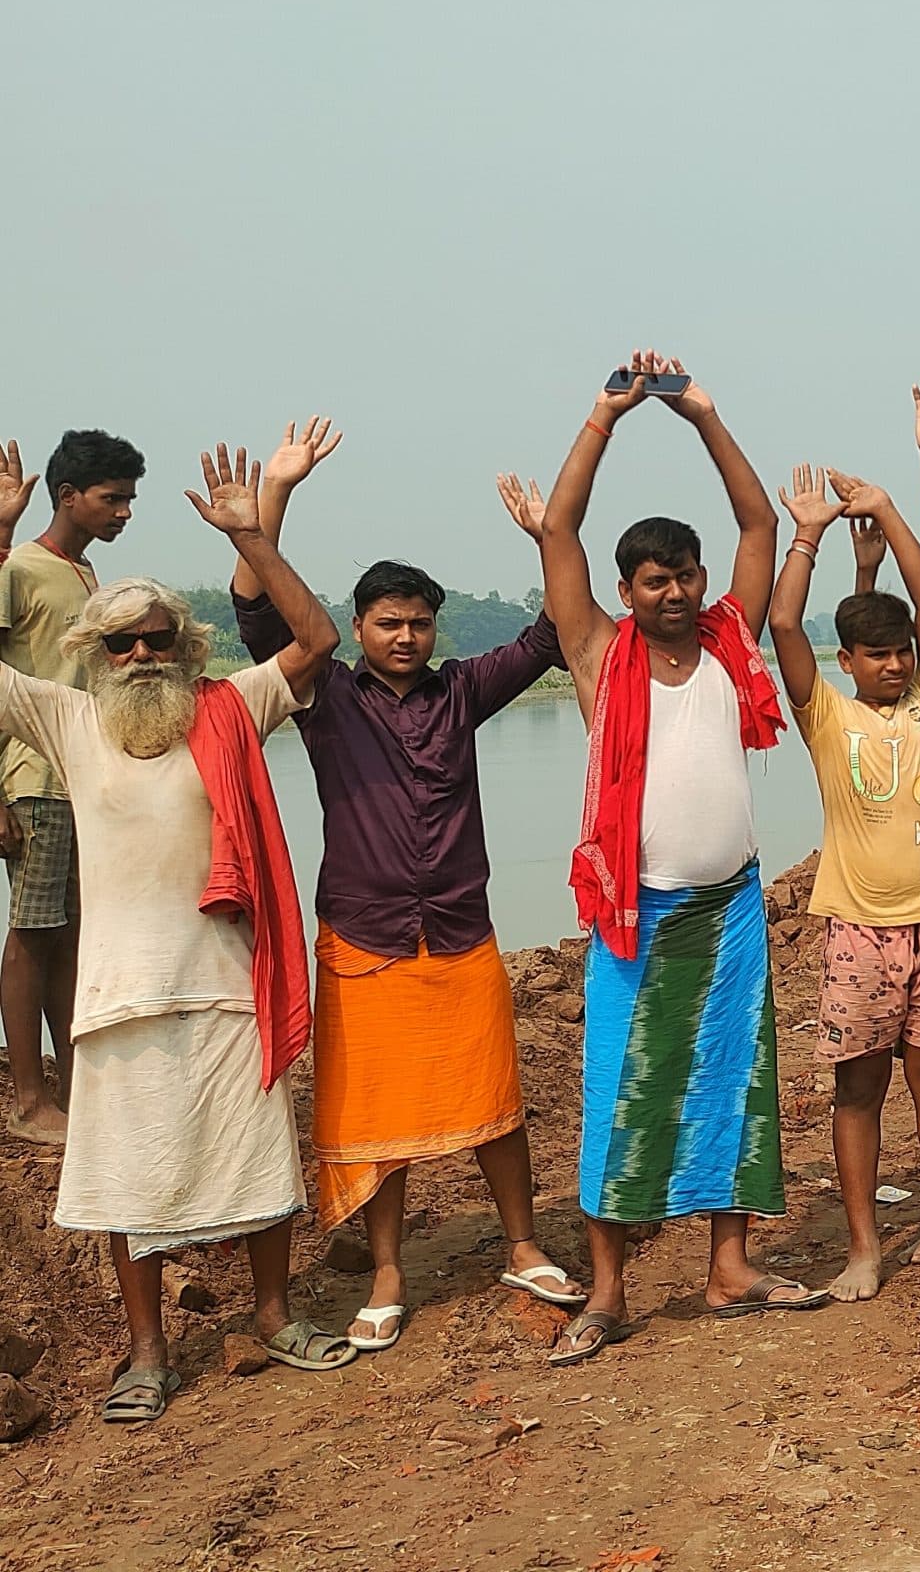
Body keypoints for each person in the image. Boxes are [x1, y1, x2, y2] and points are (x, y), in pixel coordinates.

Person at [0, 444, 355, 1425]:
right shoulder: (69, 724)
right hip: (119, 995)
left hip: (225, 981)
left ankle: (275, 1314)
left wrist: (250, 531)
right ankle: (147, 1353)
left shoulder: (228, 708)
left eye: (158, 639)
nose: (142, 656)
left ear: (186, 646)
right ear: (94, 657)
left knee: (254, 1163)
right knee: (130, 1181)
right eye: (122, 645)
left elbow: (319, 639)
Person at [221, 417, 587, 1355]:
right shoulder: (327, 698)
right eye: (389, 622)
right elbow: (261, 619)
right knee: (375, 1114)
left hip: (460, 927)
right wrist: (271, 508)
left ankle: (522, 1243)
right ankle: (388, 1275)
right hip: (366, 933)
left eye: (420, 622)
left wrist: (550, 535)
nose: (406, 637)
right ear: (362, 627)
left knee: (496, 1097)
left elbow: (553, 633)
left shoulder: (463, 691)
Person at [530, 352, 824, 1364]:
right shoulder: (597, 654)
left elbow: (759, 526)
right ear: (626, 589)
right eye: (654, 580)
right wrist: (604, 415)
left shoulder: (729, 639)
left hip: (732, 908)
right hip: (634, 917)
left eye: (684, 576)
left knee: (733, 1085)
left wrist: (702, 412)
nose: (674, 592)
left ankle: (730, 1268)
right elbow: (558, 530)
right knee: (622, 1095)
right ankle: (608, 1294)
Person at [770, 461, 920, 1299]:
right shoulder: (828, 719)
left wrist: (888, 507)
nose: (896, 667)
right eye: (878, 657)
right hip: (859, 930)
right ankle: (865, 1248)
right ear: (850, 661)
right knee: (858, 1088)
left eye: (902, 654)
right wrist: (807, 533)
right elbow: (783, 622)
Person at [0, 429, 143, 1145]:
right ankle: (29, 1101)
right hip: (32, 776)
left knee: (74, 933)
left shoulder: (87, 578)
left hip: (83, 779)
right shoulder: (22, 568)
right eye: (113, 499)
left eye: (128, 500)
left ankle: (74, 1082)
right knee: (32, 932)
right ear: (68, 497)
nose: (124, 512)